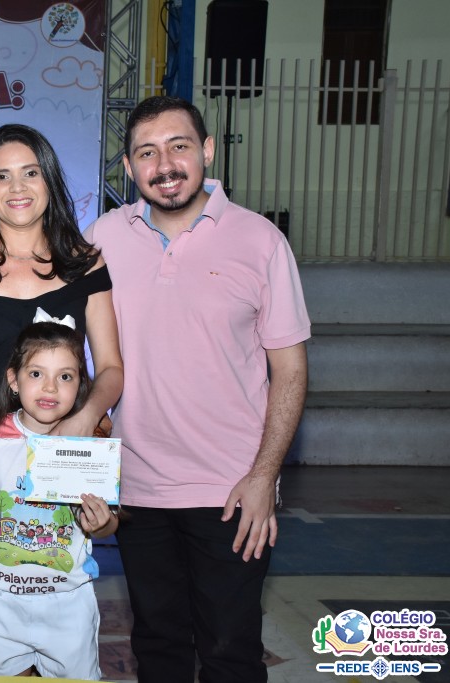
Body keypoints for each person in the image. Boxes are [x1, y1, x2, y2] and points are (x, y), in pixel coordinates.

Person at [84, 95, 310, 683]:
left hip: (231, 491)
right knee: (157, 649)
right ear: (128, 167)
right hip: (137, 491)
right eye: (146, 152)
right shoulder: (104, 237)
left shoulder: (261, 241)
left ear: (207, 150)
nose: (164, 165)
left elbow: (290, 371)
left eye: (179, 146)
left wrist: (263, 477)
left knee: (231, 654)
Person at [0, 123, 124, 673]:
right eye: (1, 176)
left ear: (49, 180)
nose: (17, 187)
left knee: (62, 604)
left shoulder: (86, 263)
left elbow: (111, 368)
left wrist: (86, 417)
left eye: (30, 172)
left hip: (65, 455)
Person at [0, 320, 119, 679]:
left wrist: (103, 523)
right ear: (14, 379)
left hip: (68, 606)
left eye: (65, 376)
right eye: (37, 373)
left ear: (80, 384)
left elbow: (109, 522)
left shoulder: (91, 444)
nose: (50, 387)